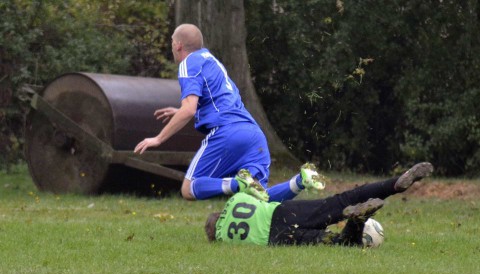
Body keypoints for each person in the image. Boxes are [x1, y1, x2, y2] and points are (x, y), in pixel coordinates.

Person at [134, 23, 322, 202]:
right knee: (259, 198)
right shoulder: (212, 61)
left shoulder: (188, 63)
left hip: (227, 132)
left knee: (189, 189)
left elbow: (190, 109)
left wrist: (158, 139)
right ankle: (300, 181)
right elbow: (215, 102)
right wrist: (179, 111)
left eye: (172, 42)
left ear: (178, 45)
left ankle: (237, 183)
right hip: (253, 133)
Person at [205, 162, 434, 246]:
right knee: (342, 200)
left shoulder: (225, 238)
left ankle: (357, 220)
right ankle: (394, 184)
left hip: (278, 238)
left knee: (334, 243)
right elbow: (265, 195)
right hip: (282, 212)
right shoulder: (237, 200)